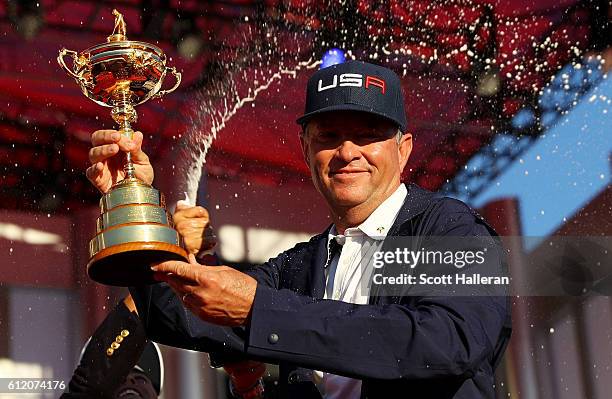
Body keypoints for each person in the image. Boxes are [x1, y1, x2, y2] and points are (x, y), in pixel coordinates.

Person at [86, 60, 512, 398]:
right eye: (329, 135)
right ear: (306, 150)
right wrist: (137, 207)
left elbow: (446, 342)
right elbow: (176, 317)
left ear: (403, 151)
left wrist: (261, 312)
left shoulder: (449, 229)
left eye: (368, 135)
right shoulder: (300, 266)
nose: (347, 151)